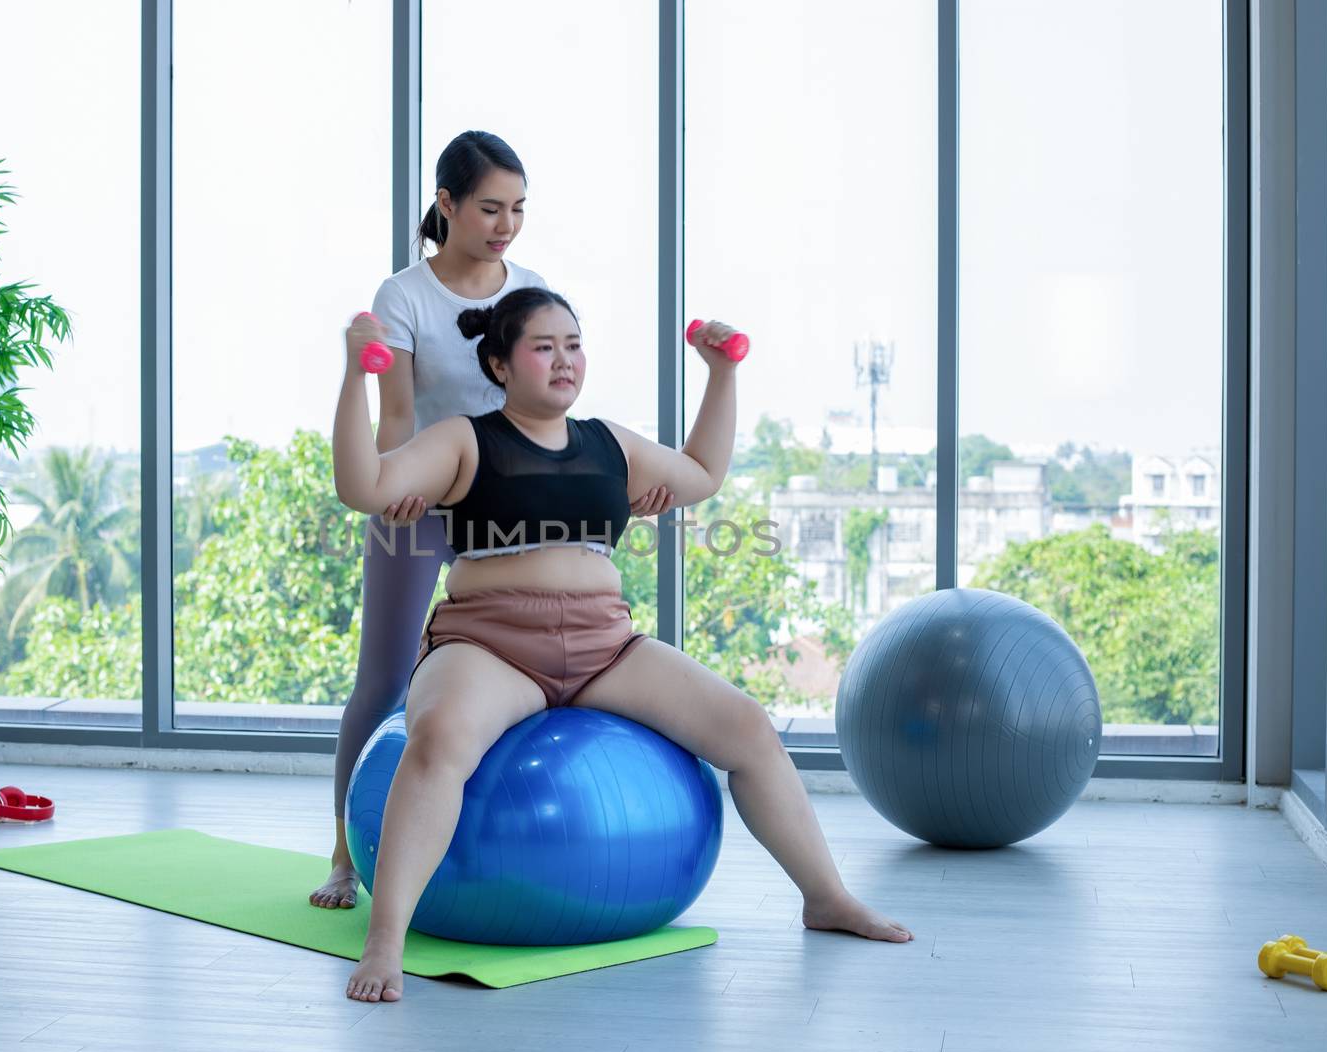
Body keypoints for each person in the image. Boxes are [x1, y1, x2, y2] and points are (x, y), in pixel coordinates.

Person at [331, 286, 913, 1004]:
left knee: (748, 727)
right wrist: (355, 375)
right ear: (500, 364)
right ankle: (385, 940)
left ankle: (825, 896)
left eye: (573, 345)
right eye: (543, 347)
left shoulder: (610, 442)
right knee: (439, 735)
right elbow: (365, 485)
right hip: (489, 643)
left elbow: (701, 473)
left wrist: (722, 374)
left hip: (605, 642)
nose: (564, 360)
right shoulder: (463, 438)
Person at [308, 130, 676, 910]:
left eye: (517, 208)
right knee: (384, 678)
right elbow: (398, 412)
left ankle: (482, 834)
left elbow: (543, 404)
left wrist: (613, 483)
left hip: (516, 503)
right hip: (428, 495)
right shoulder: (404, 294)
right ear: (446, 205)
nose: (506, 224)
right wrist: (398, 482)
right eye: (489, 208)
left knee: (517, 662)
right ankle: (344, 854)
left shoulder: (529, 283)